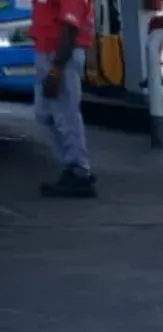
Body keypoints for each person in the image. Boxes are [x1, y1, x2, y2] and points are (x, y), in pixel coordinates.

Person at [30, 0, 95, 197]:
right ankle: (72, 165)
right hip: (45, 52)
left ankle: (78, 171)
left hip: (60, 56)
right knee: (45, 115)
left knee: (66, 115)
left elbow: (70, 27)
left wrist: (56, 69)